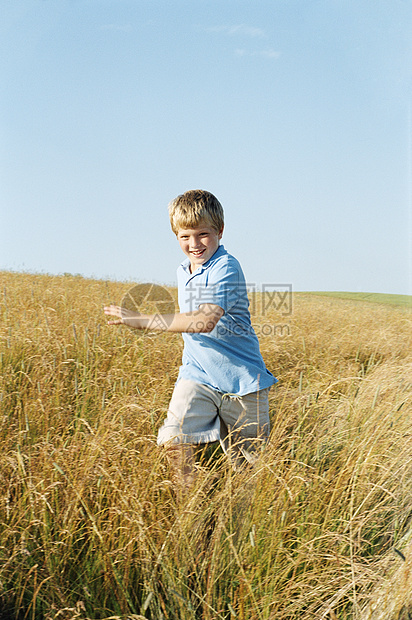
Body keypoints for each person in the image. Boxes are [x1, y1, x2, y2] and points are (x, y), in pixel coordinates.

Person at [104, 189, 276, 492]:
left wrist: (141, 320)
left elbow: (203, 321)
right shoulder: (184, 271)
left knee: (249, 471)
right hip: (197, 375)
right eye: (185, 236)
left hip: (242, 383)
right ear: (176, 235)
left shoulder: (226, 267)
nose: (194, 244)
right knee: (173, 439)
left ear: (220, 231)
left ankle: (236, 521)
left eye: (203, 234)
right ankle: (195, 507)